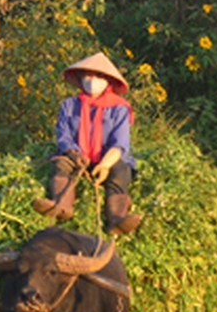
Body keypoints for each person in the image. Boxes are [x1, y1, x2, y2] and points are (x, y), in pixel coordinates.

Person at [32, 52, 142, 236]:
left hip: (107, 158)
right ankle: (62, 206)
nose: (92, 80)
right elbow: (63, 133)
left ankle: (116, 219)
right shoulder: (69, 105)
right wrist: (73, 152)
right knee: (61, 164)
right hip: (77, 156)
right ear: (81, 78)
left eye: (98, 76)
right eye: (88, 76)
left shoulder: (119, 108)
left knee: (121, 171)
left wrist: (105, 166)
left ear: (107, 80)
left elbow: (120, 143)